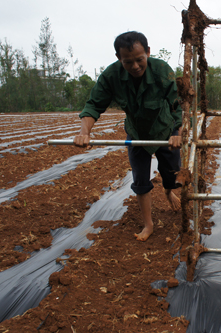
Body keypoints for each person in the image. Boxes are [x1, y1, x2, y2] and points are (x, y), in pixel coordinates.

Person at [73, 31, 183, 242]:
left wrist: (178, 131)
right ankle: (148, 224)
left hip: (165, 130)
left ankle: (169, 192)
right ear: (119, 58)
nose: (134, 66)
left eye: (139, 59)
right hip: (136, 133)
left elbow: (178, 103)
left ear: (148, 52)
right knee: (140, 179)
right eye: (128, 62)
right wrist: (84, 132)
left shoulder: (161, 71)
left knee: (172, 174)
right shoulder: (111, 76)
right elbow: (94, 104)